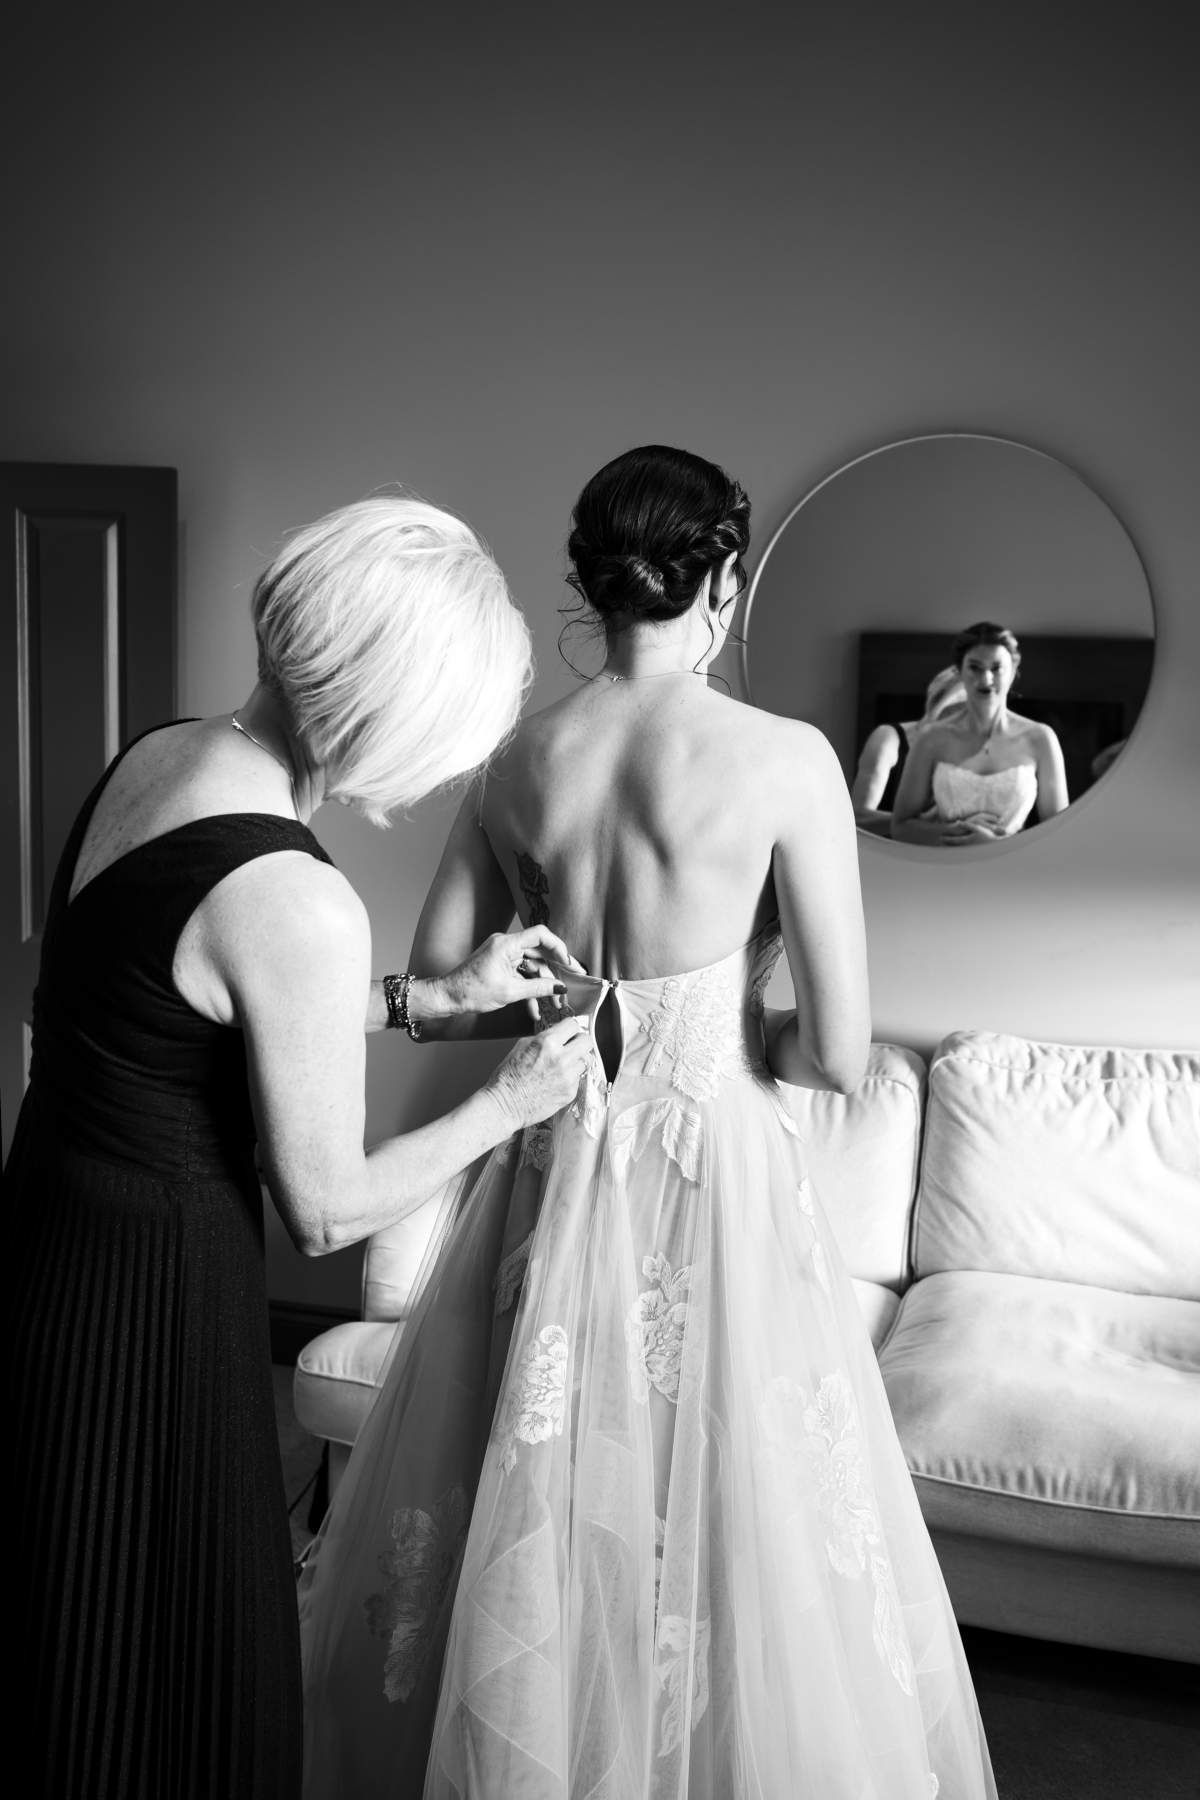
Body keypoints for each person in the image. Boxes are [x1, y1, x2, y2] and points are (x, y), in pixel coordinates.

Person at [297, 447, 997, 1798]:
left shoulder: (516, 760)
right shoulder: (788, 761)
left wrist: (579, 1001)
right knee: (731, 1513)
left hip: (554, 1159)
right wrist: (727, 1025)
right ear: (722, 581)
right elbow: (839, 1051)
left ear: (590, 583)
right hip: (715, 1167)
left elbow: (449, 995)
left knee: (534, 1489)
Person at [5, 494, 594, 1800]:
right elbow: (325, 1210)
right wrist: (505, 1099)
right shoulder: (299, 898)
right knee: (177, 1654)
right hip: (151, 1299)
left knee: (62, 1613)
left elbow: (170, 1003)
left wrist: (417, 1001)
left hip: (45, 1240)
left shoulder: (158, 755)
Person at [891, 621, 1069, 845]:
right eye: (975, 667)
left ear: (1013, 672)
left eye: (996, 668)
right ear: (960, 672)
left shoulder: (1041, 739)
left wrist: (996, 845)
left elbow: (1059, 834)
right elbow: (900, 827)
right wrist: (960, 832)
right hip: (945, 868)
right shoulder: (931, 739)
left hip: (1014, 871)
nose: (986, 679)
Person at [850, 664, 966, 837]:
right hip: (885, 856)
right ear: (935, 706)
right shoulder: (887, 739)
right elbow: (858, 818)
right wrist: (927, 825)